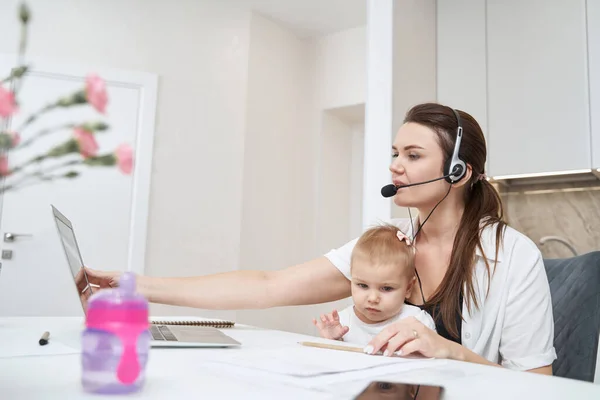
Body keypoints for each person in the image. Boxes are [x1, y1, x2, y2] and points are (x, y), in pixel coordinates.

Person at [82, 102, 557, 374]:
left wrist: (450, 350)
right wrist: (136, 285)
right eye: (395, 152)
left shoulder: (512, 256)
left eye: (413, 155)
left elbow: (540, 386)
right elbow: (269, 285)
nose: (395, 165)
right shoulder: (386, 247)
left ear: (458, 172)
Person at [313, 224, 436, 349]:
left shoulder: (417, 322)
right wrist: (333, 340)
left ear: (408, 288)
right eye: (363, 285)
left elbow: (433, 362)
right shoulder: (342, 322)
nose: (372, 298)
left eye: (386, 288)